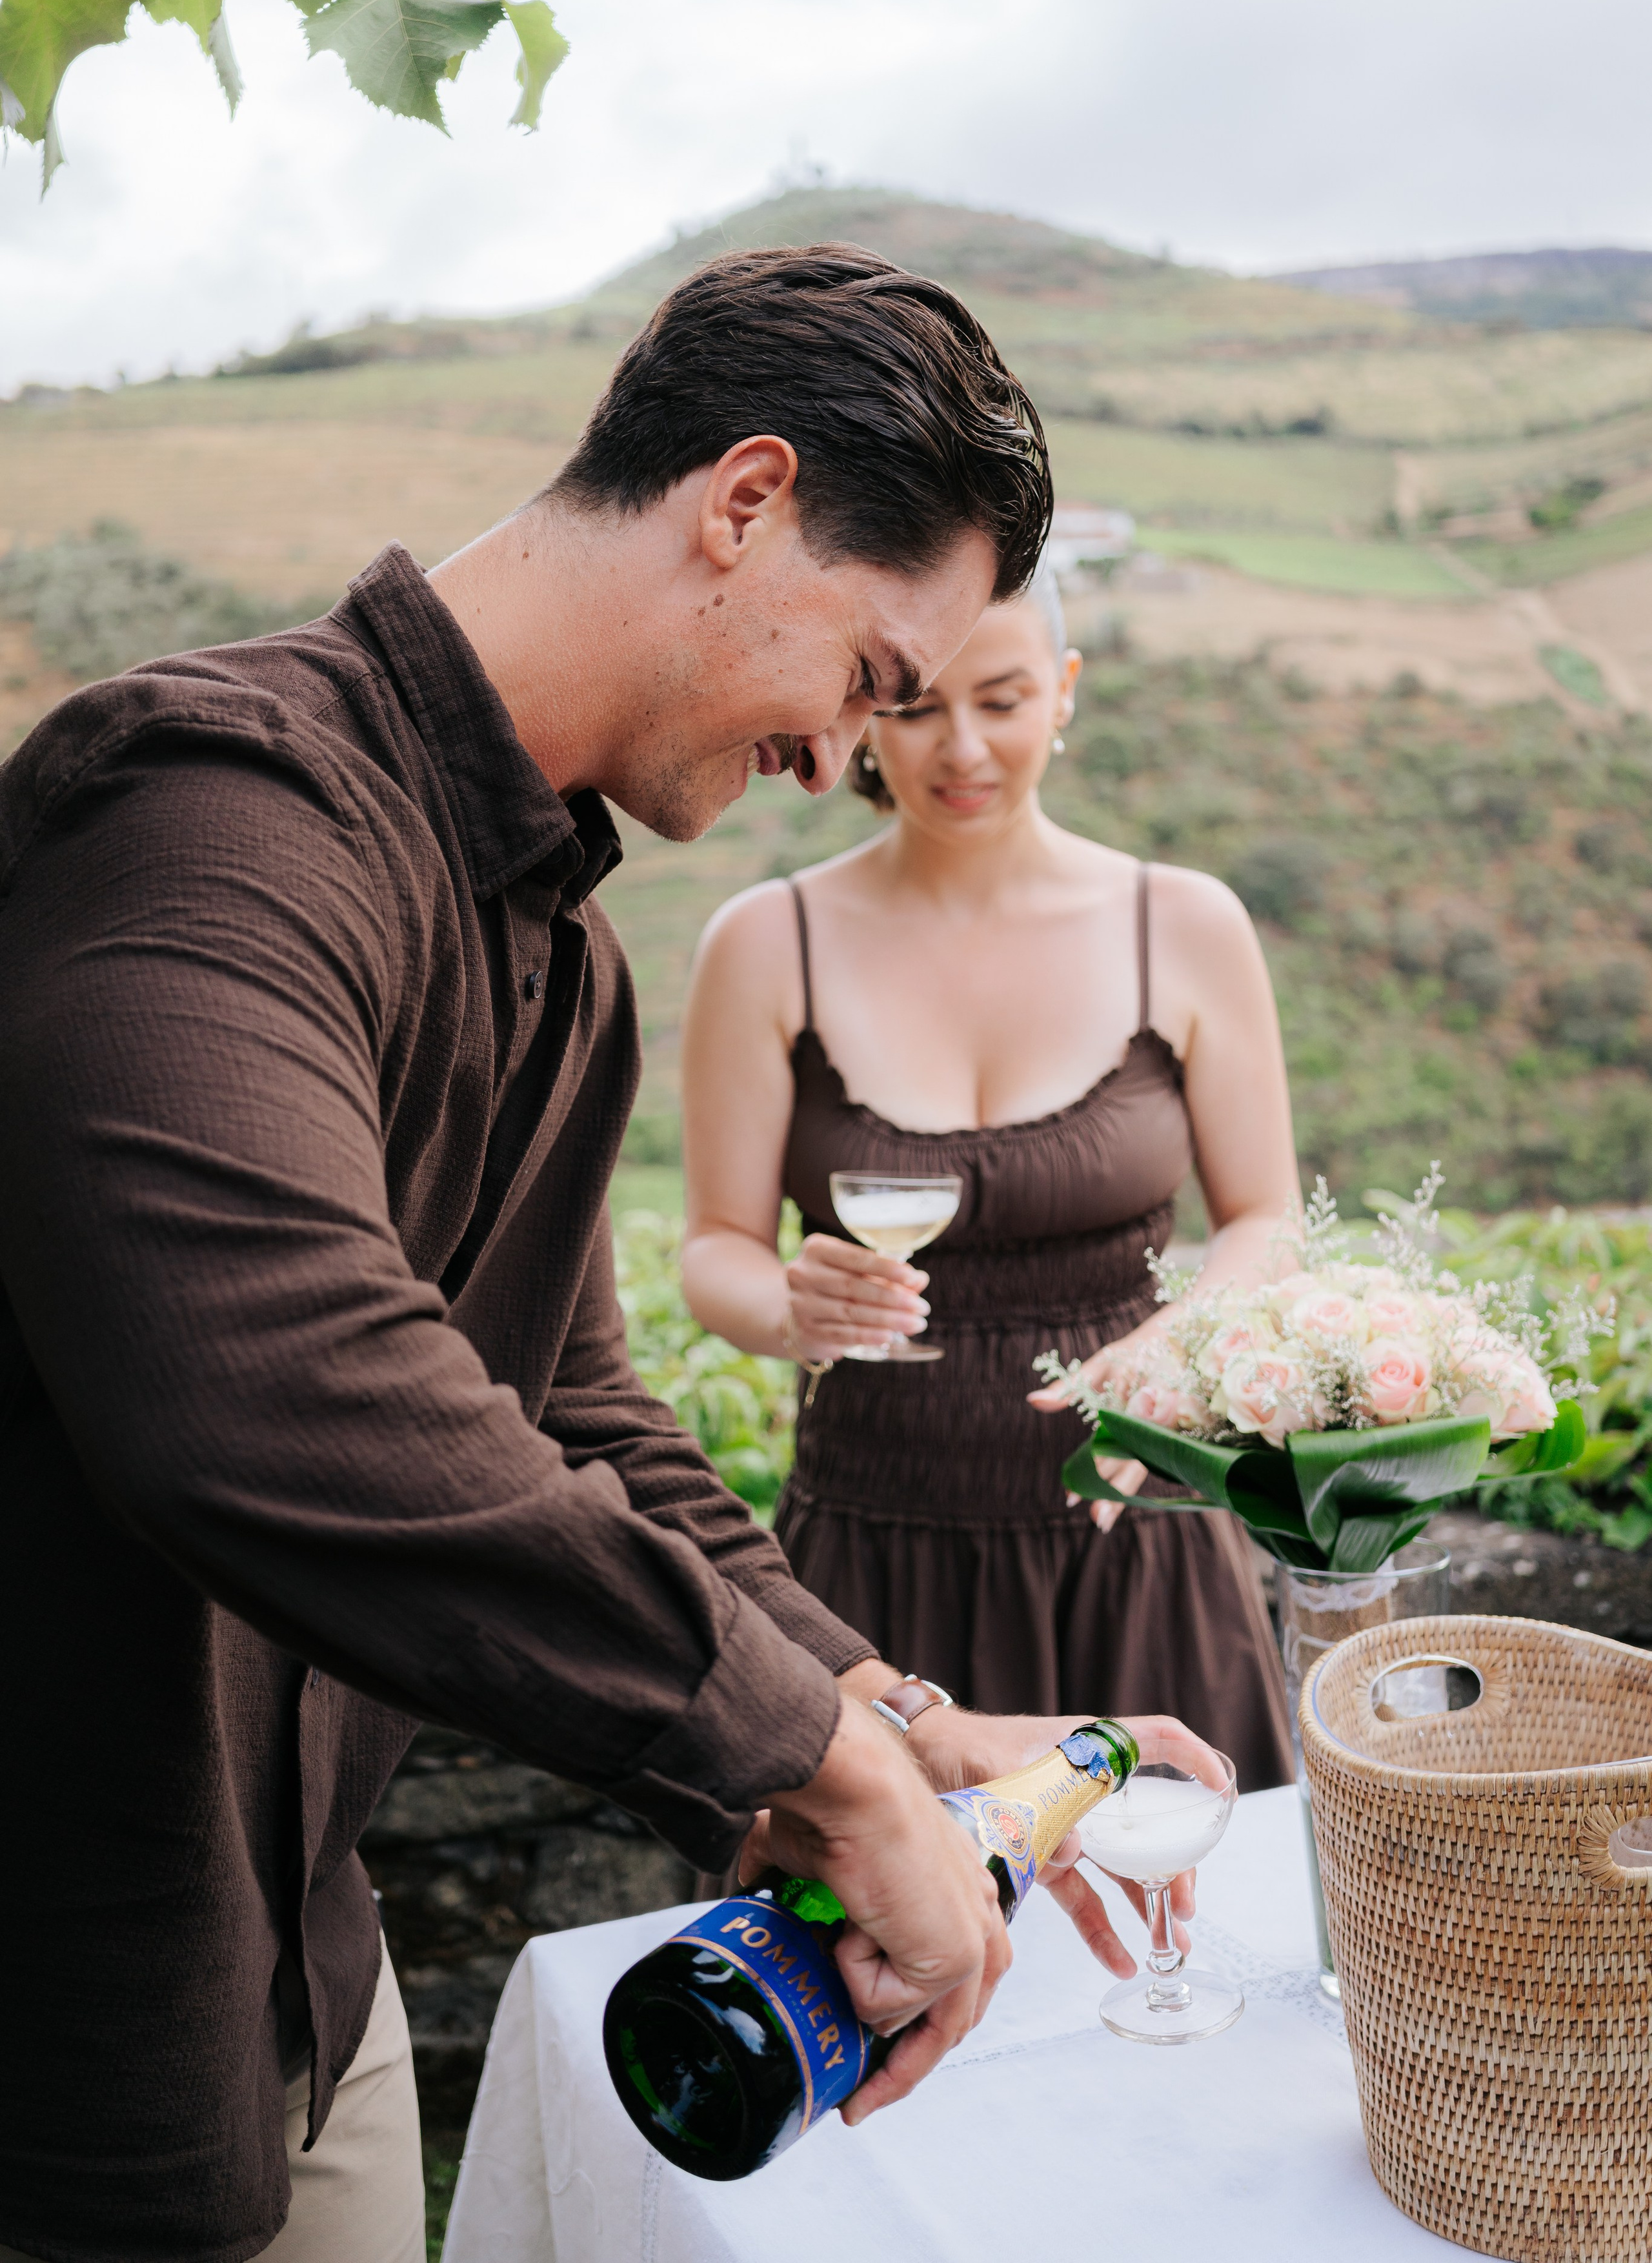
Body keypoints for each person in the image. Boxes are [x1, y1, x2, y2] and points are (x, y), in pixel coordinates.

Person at [0, 246, 1211, 2263]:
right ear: (744, 505)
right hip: (61, 2024)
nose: (847, 759)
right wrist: (799, 1754)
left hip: (308, 1969)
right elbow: (266, 1385)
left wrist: (894, 1716)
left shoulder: (567, 969)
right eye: (868, 677)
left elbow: (577, 1419)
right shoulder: (210, 813)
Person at [680, 556, 1298, 1792]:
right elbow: (715, 1250)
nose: (961, 747)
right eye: (916, 706)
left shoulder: (1182, 926)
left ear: (1064, 693)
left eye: (1004, 700)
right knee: (877, 1956)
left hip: (1135, 1541)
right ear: (862, 709)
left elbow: (1268, 1218)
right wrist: (789, 1307)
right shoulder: (765, 943)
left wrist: (1179, 1357)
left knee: (1180, 1941)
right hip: (868, 1566)